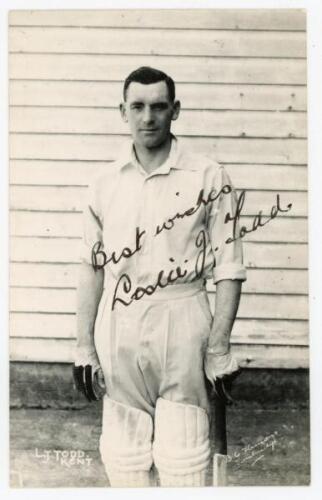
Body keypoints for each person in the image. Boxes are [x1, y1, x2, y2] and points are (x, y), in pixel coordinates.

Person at [73, 66, 246, 487]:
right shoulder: (103, 183)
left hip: (184, 317)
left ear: (175, 110)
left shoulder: (208, 176)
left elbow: (229, 267)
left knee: (182, 453)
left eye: (158, 107)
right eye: (137, 107)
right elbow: (92, 267)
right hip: (120, 325)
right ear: (123, 111)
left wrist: (219, 346)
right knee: (124, 453)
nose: (147, 117)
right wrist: (83, 346)